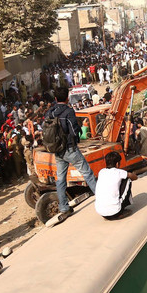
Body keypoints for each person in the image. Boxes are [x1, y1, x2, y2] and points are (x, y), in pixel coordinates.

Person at [46, 87, 97, 215]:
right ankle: (102, 197)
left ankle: (64, 207)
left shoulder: (50, 112)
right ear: (67, 98)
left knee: (61, 179)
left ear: (56, 99)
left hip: (57, 150)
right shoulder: (68, 111)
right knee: (88, 174)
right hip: (70, 148)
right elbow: (74, 131)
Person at [94, 151, 137, 219]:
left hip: (101, 212)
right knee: (128, 180)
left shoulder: (101, 172)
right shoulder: (119, 172)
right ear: (117, 164)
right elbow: (134, 177)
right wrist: (133, 175)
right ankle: (121, 211)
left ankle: (111, 211)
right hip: (115, 212)